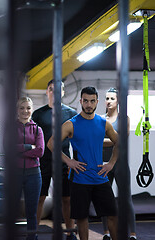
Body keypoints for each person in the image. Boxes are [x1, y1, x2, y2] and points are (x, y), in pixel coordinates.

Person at [47, 86, 119, 240]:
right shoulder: (71, 124)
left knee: (113, 215)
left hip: (100, 177)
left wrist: (111, 163)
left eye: (92, 101)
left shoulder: (103, 123)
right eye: (85, 101)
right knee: (82, 218)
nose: (88, 104)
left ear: (97, 102)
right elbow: (51, 143)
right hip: (80, 179)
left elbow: (119, 142)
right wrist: (69, 161)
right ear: (80, 101)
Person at [32, 80, 77, 240]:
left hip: (64, 161)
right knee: (39, 197)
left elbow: (76, 140)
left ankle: (70, 232)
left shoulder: (72, 114)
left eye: (58, 90)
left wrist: (75, 162)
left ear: (63, 92)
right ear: (47, 92)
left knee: (67, 198)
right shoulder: (37, 114)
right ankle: (33, 233)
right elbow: (32, 139)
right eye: (51, 89)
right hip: (42, 161)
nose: (54, 92)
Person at [101, 88, 137, 240]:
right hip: (103, 164)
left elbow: (121, 141)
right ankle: (106, 233)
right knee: (104, 199)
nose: (108, 101)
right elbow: (98, 141)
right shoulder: (100, 119)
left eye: (112, 99)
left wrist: (105, 141)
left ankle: (133, 234)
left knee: (126, 198)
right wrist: (113, 140)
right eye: (107, 98)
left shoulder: (124, 119)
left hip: (120, 164)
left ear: (118, 101)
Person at [16, 97, 45, 240]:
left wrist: (19, 150)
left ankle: (32, 237)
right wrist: (29, 147)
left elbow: (40, 151)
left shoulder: (38, 129)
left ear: (31, 109)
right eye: (21, 108)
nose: (25, 111)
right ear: (17, 110)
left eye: (28, 108)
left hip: (33, 175)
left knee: (31, 212)